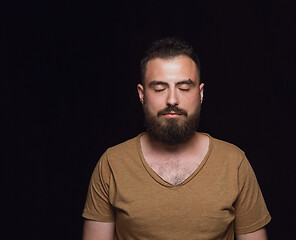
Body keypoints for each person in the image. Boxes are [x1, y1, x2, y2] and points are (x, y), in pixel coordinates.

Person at [82, 37, 271, 240]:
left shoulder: (234, 163)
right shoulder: (112, 164)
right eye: (159, 88)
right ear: (142, 94)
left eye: (184, 87)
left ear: (200, 94)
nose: (172, 99)